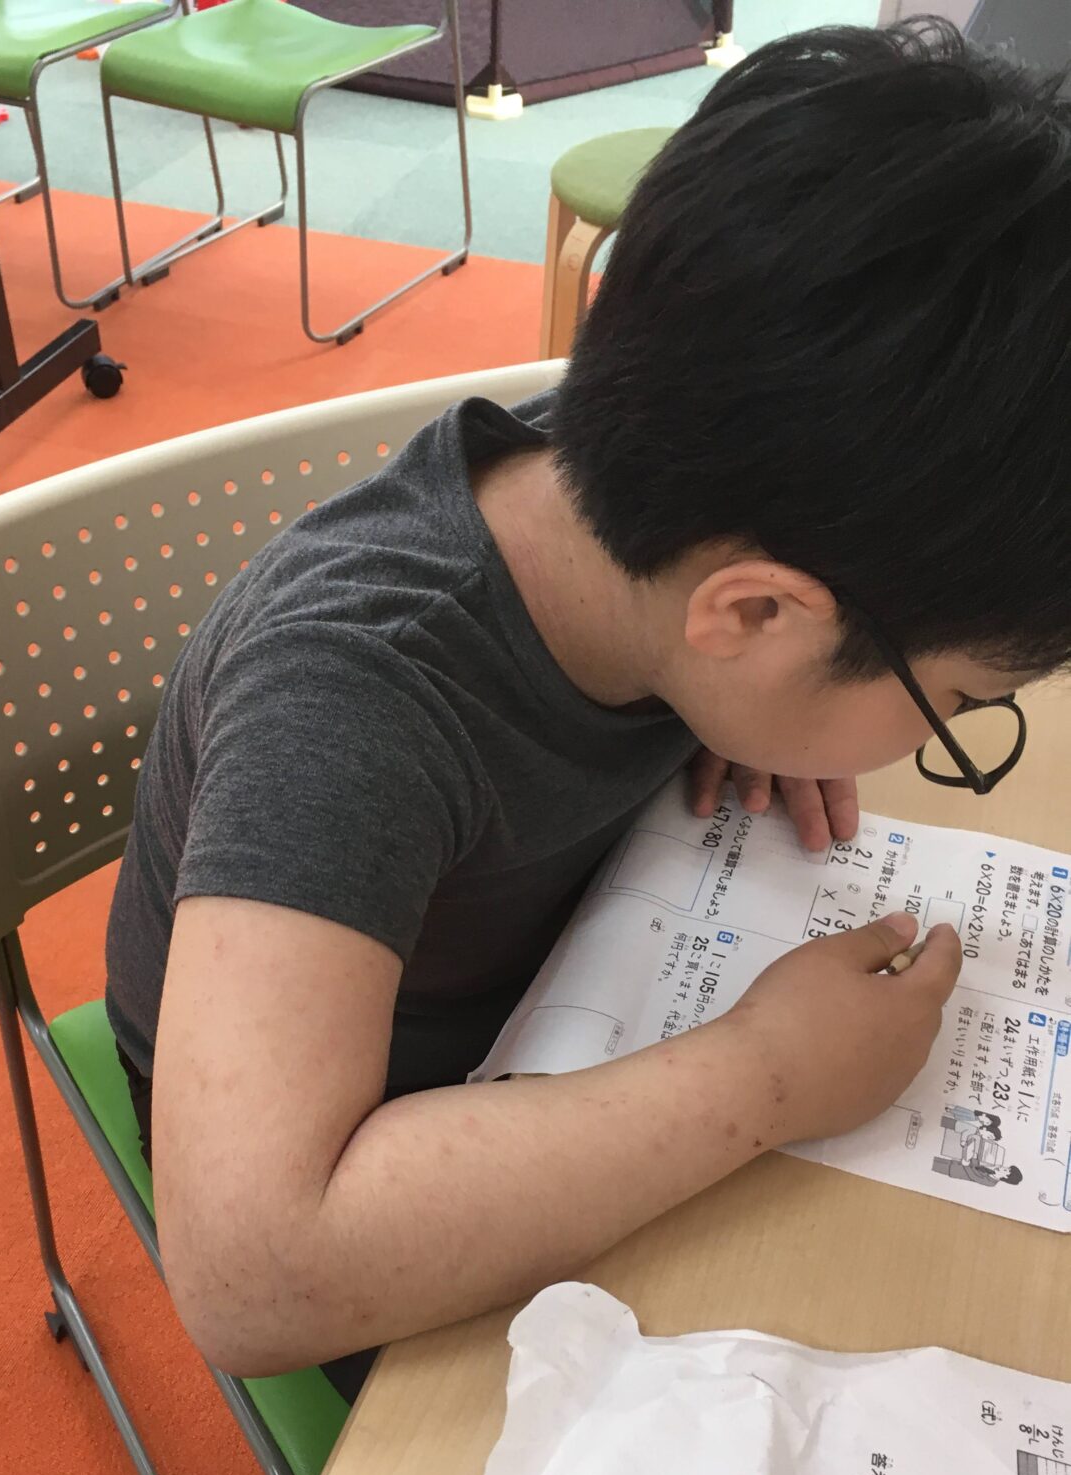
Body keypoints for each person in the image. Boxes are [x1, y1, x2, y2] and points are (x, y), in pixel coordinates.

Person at [104, 21, 1071, 1396]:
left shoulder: (677, 485)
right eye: (952, 704)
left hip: (552, 970)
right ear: (756, 614)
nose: (929, 741)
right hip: (332, 1115)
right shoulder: (354, 696)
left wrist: (747, 712)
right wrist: (765, 1080)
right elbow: (254, 1273)